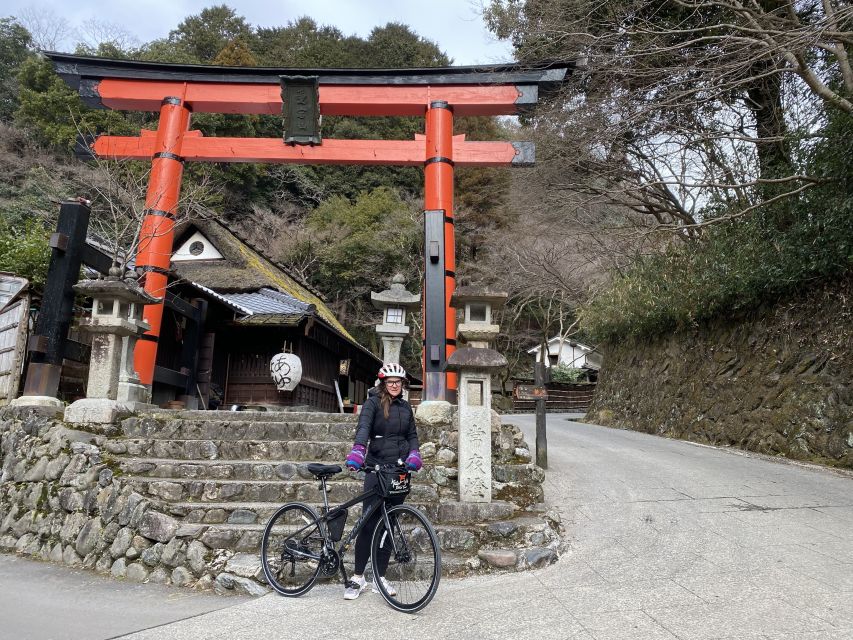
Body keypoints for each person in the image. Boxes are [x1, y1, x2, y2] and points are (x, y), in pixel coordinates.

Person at [343, 362, 422, 600]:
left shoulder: (406, 408)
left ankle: (380, 576)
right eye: (391, 382)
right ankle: (358, 577)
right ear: (383, 383)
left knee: (389, 525)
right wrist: (359, 449)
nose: (395, 385)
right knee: (368, 523)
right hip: (376, 468)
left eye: (398, 382)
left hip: (398, 471)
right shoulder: (372, 403)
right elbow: (363, 428)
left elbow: (412, 435)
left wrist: (414, 453)